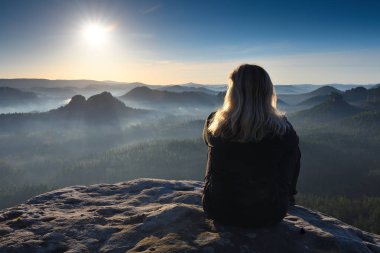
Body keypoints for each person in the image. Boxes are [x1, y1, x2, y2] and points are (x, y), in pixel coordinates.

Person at [202, 64, 301, 228]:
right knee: (293, 151)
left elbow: (212, 154)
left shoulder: (214, 123)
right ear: (268, 92)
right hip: (268, 214)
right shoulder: (284, 130)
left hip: (219, 210)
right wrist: (288, 197)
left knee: (214, 148)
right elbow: (291, 167)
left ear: (233, 92)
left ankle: (215, 190)